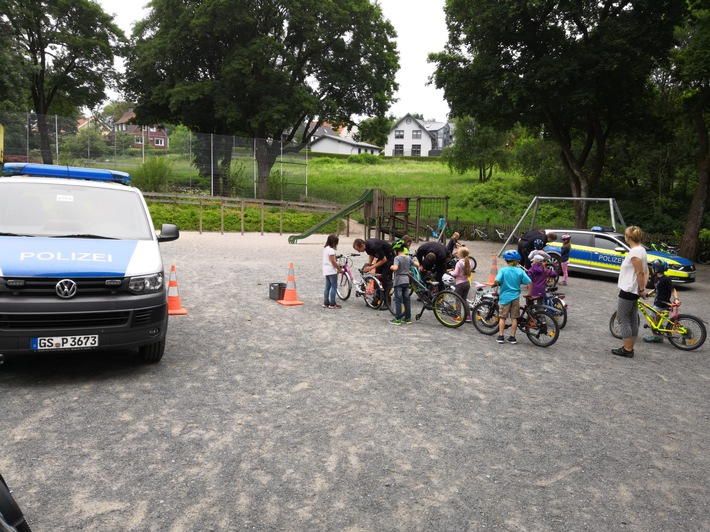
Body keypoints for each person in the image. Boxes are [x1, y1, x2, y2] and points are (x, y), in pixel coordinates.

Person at [612, 225, 648, 358]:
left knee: (623, 318)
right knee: (632, 318)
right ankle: (629, 347)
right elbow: (645, 270)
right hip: (634, 290)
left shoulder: (634, 252)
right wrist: (641, 289)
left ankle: (627, 349)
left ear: (628, 237)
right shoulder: (642, 250)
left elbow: (640, 271)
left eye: (625, 235)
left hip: (628, 289)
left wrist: (642, 289)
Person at [493, 250, 531, 345]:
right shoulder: (520, 271)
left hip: (505, 297)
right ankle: (512, 337)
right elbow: (530, 282)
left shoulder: (503, 270)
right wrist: (529, 292)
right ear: (517, 261)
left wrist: (494, 284)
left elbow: (497, 280)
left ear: (506, 260)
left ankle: (501, 336)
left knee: (502, 317)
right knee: (514, 318)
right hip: (515, 298)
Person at [643, 259, 679, 343]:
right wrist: (648, 294)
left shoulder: (666, 279)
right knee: (658, 320)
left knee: (651, 317)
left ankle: (656, 336)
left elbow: (673, 290)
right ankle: (660, 335)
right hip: (658, 302)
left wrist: (676, 299)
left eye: (653, 268)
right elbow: (656, 289)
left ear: (656, 269)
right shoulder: (655, 278)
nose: (652, 269)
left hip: (662, 303)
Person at [353, 237, 394, 306]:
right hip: (381, 258)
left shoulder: (374, 246)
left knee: (384, 280)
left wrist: (371, 267)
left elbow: (384, 260)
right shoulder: (366, 246)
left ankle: (387, 303)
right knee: (376, 278)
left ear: (362, 245)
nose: (359, 252)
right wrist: (368, 265)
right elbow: (371, 255)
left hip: (389, 258)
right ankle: (376, 299)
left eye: (358, 249)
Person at [389, 240, 414, 325]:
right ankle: (408, 318)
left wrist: (392, 267)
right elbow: (415, 264)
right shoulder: (408, 257)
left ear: (396, 250)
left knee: (398, 300)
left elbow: (395, 268)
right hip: (406, 281)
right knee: (407, 300)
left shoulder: (397, 258)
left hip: (398, 281)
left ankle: (398, 319)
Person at [322, 234, 344, 309]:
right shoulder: (331, 250)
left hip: (326, 270)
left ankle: (326, 302)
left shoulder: (326, 248)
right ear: (334, 243)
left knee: (327, 287)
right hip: (331, 271)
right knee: (334, 286)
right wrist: (339, 269)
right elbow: (333, 262)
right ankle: (332, 303)